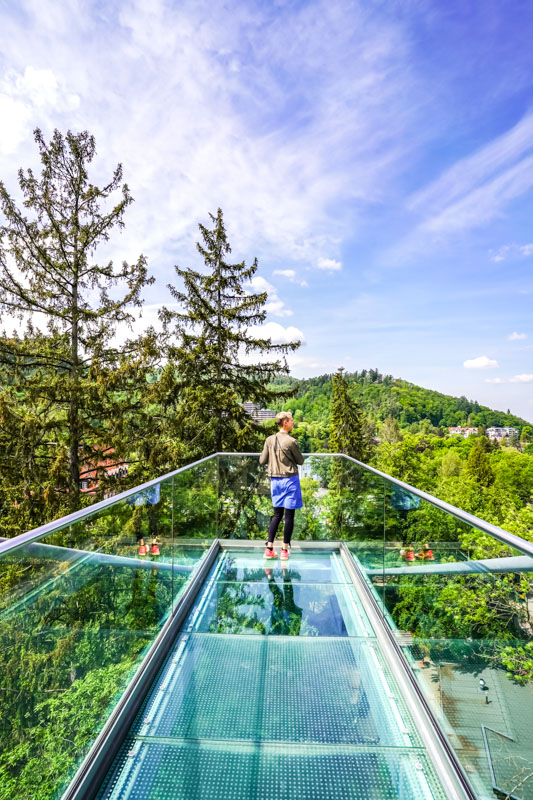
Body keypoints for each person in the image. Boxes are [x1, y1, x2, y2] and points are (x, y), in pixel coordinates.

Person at [259, 410, 304, 560]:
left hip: (275, 481)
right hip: (290, 480)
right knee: (289, 515)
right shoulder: (291, 441)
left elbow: (262, 460)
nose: (293, 422)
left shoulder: (269, 440)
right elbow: (300, 461)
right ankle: (284, 550)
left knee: (277, 514)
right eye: (291, 420)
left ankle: (269, 548)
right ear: (285, 423)